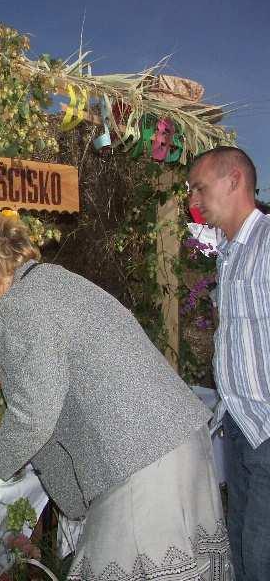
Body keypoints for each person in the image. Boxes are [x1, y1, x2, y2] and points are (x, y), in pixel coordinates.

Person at [0, 212, 231, 581]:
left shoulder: (19, 304)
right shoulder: (54, 283)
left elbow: (35, 414)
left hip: (138, 459)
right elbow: (61, 370)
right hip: (175, 439)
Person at [188, 146, 270, 581]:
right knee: (239, 548)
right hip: (239, 426)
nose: (195, 202)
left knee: (260, 558)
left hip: (268, 431)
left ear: (234, 180)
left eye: (200, 189)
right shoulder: (228, 253)